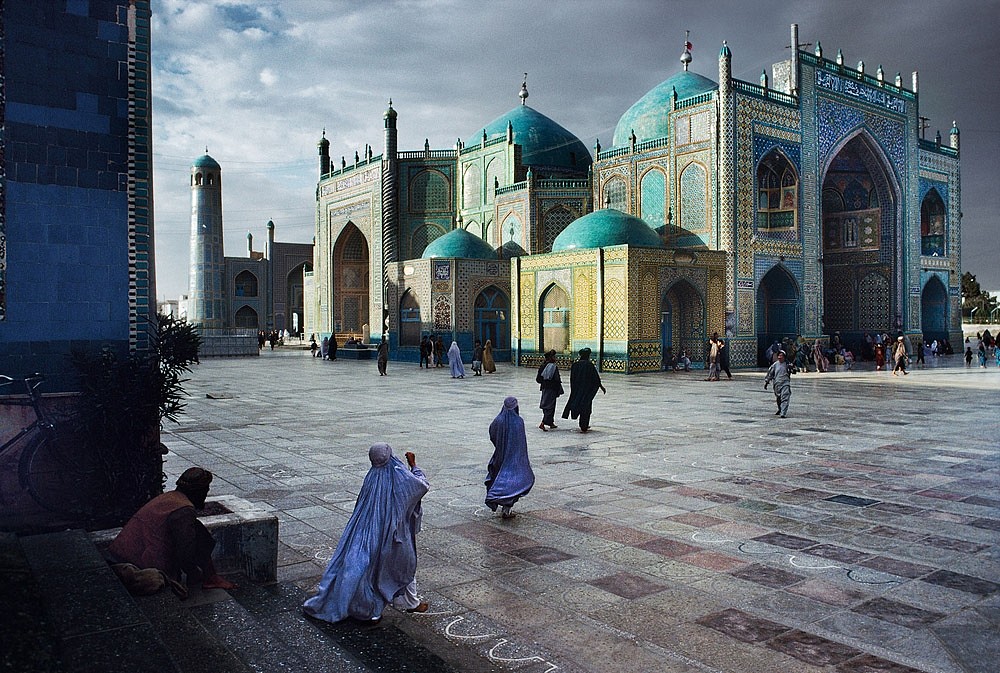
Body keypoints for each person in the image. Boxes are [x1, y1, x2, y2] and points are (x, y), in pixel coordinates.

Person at [303, 444, 429, 623]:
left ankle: (408, 603)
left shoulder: (371, 477)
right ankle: (375, 609)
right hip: (391, 534)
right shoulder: (398, 476)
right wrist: (414, 465)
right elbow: (421, 486)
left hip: (364, 530)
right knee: (401, 564)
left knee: (369, 567)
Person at [107, 468, 237, 592]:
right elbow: (185, 551)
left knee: (197, 529)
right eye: (206, 490)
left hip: (123, 556)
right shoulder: (184, 510)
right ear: (199, 491)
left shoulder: (171, 498)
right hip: (137, 565)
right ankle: (210, 578)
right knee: (196, 533)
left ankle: (211, 577)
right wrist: (194, 572)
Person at [485, 396, 535, 519]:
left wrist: (499, 444)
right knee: (514, 481)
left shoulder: (498, 420)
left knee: (499, 477)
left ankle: (500, 502)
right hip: (515, 457)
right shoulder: (519, 422)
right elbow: (521, 441)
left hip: (500, 455)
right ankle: (506, 508)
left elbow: (492, 433)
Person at [561, 348, 606, 433]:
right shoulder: (589, 365)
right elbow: (595, 378)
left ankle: (583, 424)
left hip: (577, 389)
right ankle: (584, 425)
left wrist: (574, 389)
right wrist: (600, 386)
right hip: (586, 390)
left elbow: (572, 378)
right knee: (586, 407)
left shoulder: (575, 365)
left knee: (578, 404)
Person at [536, 350, 564, 431]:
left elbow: (538, 379)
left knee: (547, 404)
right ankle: (543, 423)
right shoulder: (553, 367)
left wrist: (544, 382)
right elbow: (557, 379)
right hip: (551, 389)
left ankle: (550, 422)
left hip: (545, 388)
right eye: (554, 357)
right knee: (550, 406)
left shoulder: (542, 366)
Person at [763, 350, 793, 418]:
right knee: (779, 398)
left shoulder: (787, 364)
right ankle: (780, 409)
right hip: (777, 383)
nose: (780, 357)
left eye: (781, 356)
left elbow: (793, 371)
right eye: (779, 355)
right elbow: (770, 373)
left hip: (785, 383)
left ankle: (783, 412)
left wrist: (791, 368)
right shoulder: (775, 365)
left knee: (785, 397)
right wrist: (767, 382)